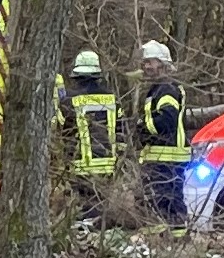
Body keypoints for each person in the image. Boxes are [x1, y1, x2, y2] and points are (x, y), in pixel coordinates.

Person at [132, 41, 192, 224]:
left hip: (167, 157)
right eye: (145, 63)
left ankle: (173, 241)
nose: (146, 67)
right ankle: (169, 241)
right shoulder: (159, 89)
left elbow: (166, 121)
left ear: (163, 64)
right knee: (163, 203)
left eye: (151, 62)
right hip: (163, 157)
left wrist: (142, 125)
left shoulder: (166, 89)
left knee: (165, 202)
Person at [64, 48, 121, 187]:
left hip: (82, 167)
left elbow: (65, 132)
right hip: (108, 165)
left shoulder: (71, 99)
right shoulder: (111, 98)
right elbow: (121, 130)